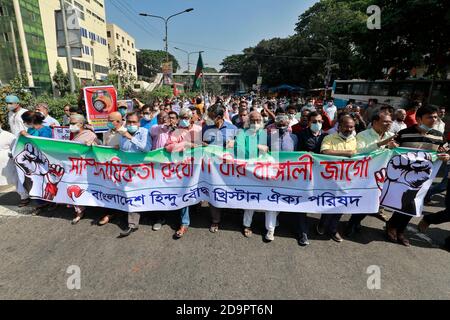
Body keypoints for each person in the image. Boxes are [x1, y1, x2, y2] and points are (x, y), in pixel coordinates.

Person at [386, 106, 450, 246]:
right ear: (419, 119)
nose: (434, 120)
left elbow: (445, 152)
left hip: (422, 178)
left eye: (435, 117)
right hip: (402, 176)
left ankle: (400, 231)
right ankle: (391, 226)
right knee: (401, 201)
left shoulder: (439, 136)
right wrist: (391, 146)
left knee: (413, 204)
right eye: (430, 117)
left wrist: (445, 156)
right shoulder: (404, 133)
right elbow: (391, 149)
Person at [345, 113, 398, 236]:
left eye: (390, 122)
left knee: (373, 201)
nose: (388, 124)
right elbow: (359, 152)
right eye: (385, 122)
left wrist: (393, 149)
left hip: (383, 175)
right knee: (361, 198)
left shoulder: (391, 136)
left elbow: (395, 156)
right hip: (365, 174)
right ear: (375, 122)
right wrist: (381, 144)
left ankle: (355, 221)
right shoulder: (363, 135)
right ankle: (351, 224)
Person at [230, 112, 278, 241]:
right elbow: (240, 151)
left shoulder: (263, 133)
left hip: (265, 169)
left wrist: (265, 149)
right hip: (248, 171)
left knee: (270, 198)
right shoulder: (241, 133)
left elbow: (271, 150)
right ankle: (247, 225)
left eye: (258, 120)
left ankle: (270, 229)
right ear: (248, 121)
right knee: (251, 197)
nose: (255, 123)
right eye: (253, 120)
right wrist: (257, 147)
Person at [318, 115, 358, 242]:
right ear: (339, 126)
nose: (349, 129)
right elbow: (325, 152)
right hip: (330, 178)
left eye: (351, 126)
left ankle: (333, 229)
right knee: (328, 202)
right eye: (346, 126)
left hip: (348, 179)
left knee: (341, 205)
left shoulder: (355, 140)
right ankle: (322, 224)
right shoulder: (329, 137)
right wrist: (346, 154)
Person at [165, 108, 202, 238]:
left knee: (199, 189)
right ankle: (184, 223)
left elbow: (205, 145)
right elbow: (169, 147)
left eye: (187, 117)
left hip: (198, 167)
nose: (185, 119)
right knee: (184, 193)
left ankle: (197, 205)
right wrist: (186, 144)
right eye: (183, 117)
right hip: (183, 167)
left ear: (192, 117)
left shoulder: (198, 129)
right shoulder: (176, 132)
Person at [202, 104, 238, 233]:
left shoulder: (233, 128)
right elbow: (203, 144)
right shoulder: (206, 127)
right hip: (211, 167)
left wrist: (234, 144)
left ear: (219, 117)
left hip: (228, 168)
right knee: (213, 191)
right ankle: (215, 220)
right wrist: (203, 145)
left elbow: (239, 148)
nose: (208, 119)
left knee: (229, 190)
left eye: (211, 117)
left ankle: (232, 214)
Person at [117, 112, 152, 237]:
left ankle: (150, 217)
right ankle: (132, 223)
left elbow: (146, 148)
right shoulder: (122, 134)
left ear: (138, 122)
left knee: (142, 195)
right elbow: (122, 149)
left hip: (142, 171)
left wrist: (130, 137)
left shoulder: (144, 132)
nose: (131, 124)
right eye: (129, 122)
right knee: (131, 195)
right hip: (127, 170)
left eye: (134, 122)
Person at [296, 112, 328, 246]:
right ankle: (303, 232)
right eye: (314, 121)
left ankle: (322, 225)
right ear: (308, 122)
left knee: (325, 199)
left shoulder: (327, 137)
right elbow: (295, 154)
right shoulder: (301, 135)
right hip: (305, 174)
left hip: (323, 175)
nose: (317, 124)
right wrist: (304, 154)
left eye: (320, 121)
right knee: (303, 201)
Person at [97, 112, 126, 226]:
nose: (107, 122)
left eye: (110, 120)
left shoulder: (125, 132)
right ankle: (110, 213)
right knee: (109, 189)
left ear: (118, 121)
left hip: (123, 167)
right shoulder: (106, 133)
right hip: (109, 167)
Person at [70, 114, 100, 224]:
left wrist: (93, 144)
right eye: (70, 123)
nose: (71, 126)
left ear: (81, 124)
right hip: (75, 167)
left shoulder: (89, 134)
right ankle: (79, 211)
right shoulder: (74, 134)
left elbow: (99, 145)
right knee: (75, 187)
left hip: (88, 168)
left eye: (73, 123)